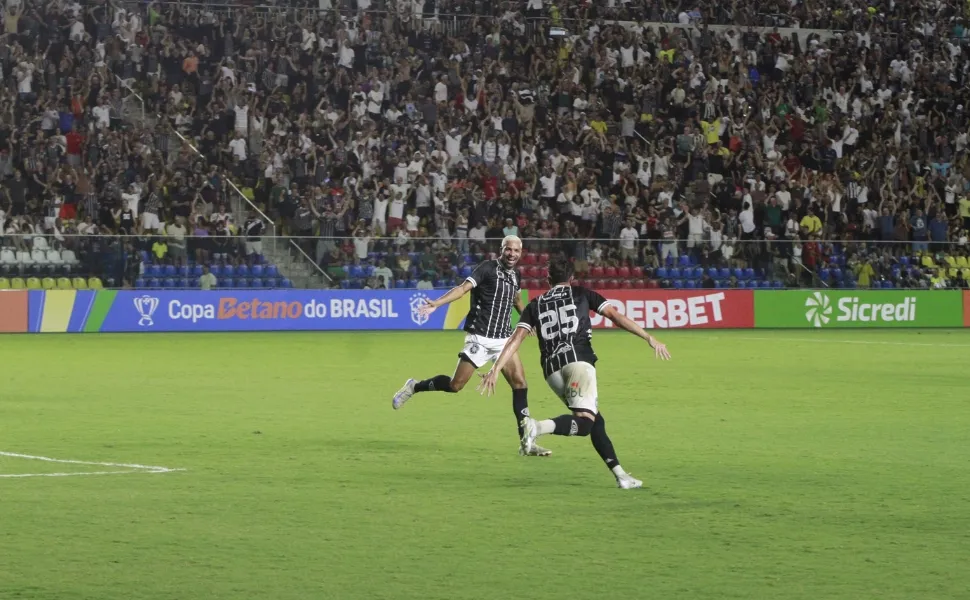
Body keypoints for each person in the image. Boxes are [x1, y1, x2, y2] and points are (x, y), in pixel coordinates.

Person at [477, 256, 671, 489]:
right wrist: (649, 337)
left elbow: (516, 339)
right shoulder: (582, 294)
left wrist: (496, 368)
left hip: (551, 370)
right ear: (571, 278)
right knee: (586, 424)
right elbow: (615, 317)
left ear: (548, 279)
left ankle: (621, 475)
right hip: (578, 361)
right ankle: (536, 427)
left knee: (595, 420)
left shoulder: (535, 305)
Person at [392, 236, 550, 456]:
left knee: (520, 384)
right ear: (501, 250)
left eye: (516, 250)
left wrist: (525, 318)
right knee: (455, 385)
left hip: (504, 339)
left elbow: (515, 299)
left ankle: (527, 443)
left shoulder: (516, 275)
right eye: (508, 249)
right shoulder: (486, 268)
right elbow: (462, 288)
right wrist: (437, 304)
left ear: (521, 252)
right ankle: (414, 386)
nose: (512, 254)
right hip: (480, 337)